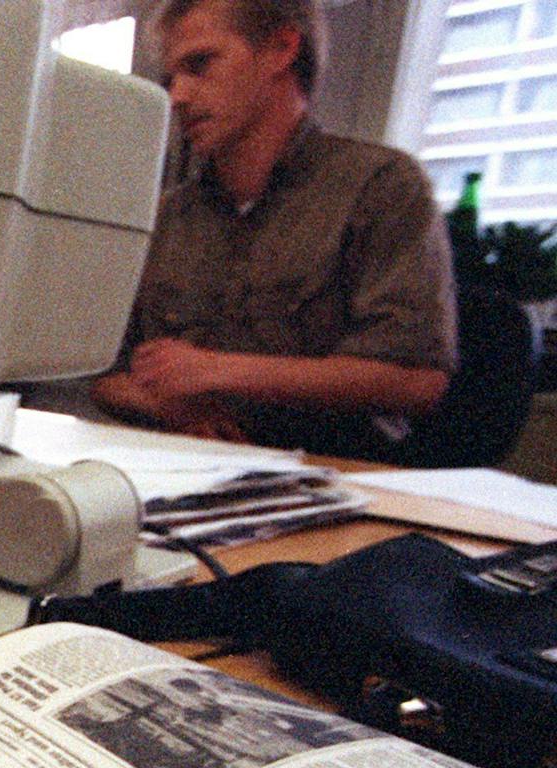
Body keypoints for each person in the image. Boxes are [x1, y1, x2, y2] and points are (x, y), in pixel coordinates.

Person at [90, 0, 457, 457]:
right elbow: (102, 371)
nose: (177, 96)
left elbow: (415, 378)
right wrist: (168, 405)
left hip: (333, 474)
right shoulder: (168, 215)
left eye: (200, 64)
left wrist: (216, 370)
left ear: (282, 48)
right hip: (187, 467)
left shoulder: (379, 186)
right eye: (170, 79)